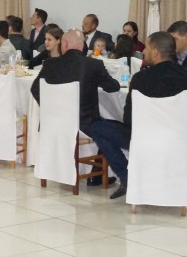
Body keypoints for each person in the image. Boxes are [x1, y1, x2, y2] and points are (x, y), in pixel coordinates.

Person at [88, 32, 187, 199]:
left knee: (97, 127)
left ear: (155, 52)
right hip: (177, 137)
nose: (143, 52)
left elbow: (129, 119)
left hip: (145, 138)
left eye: (146, 47)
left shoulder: (140, 79)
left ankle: (126, 177)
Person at [31, 29, 121, 184]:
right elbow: (113, 87)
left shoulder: (50, 64)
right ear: (82, 45)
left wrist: (51, 110)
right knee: (112, 127)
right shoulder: (93, 64)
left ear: (64, 44)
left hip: (52, 124)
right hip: (83, 124)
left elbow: (35, 89)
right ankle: (95, 175)